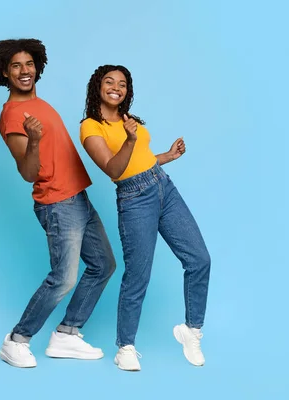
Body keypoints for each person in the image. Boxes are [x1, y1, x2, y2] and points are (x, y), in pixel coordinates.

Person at [0, 39, 116, 368]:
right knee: (63, 277)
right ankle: (17, 340)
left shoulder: (39, 103)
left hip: (79, 197)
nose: (24, 70)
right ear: (5, 72)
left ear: (37, 67)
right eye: (15, 65)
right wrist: (33, 140)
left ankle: (67, 334)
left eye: (28, 64)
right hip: (58, 204)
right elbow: (28, 173)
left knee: (103, 265)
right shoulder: (13, 114)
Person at [79, 65, 212, 371]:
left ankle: (192, 331)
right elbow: (114, 169)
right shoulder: (90, 127)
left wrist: (167, 156)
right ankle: (125, 346)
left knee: (199, 259)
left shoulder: (130, 120)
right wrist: (127, 139)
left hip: (162, 184)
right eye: (109, 82)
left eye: (122, 83)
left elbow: (142, 159)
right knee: (138, 275)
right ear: (97, 87)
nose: (116, 87)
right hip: (134, 198)